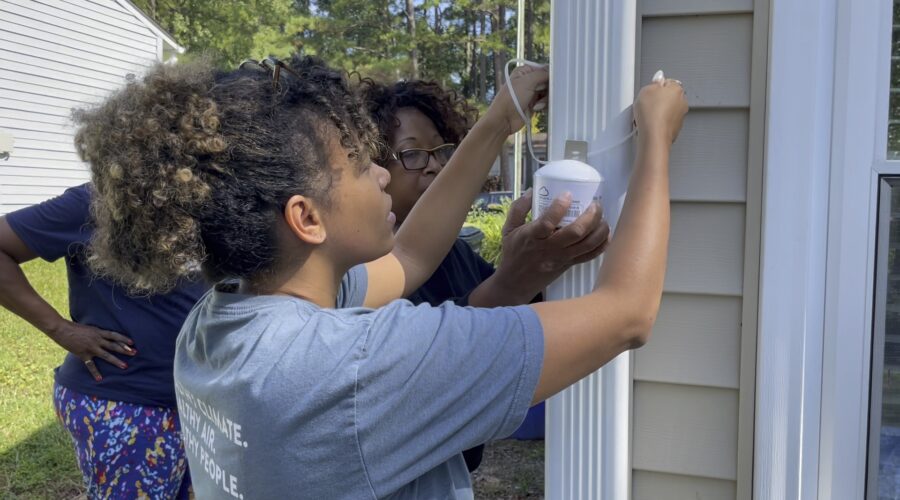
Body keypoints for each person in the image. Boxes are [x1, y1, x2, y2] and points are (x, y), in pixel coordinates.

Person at [80, 54, 687, 499]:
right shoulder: (347, 368)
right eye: (355, 162)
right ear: (306, 218)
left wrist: (499, 121)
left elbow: (412, 258)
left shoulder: (220, 322)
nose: (378, 173)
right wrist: (656, 140)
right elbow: (627, 312)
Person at [360, 79, 612, 470]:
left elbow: (516, 321)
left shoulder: (455, 252)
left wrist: (535, 264)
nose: (434, 164)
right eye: (412, 153)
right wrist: (515, 277)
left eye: (440, 150)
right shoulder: (358, 269)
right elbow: (442, 355)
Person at [0, 183, 205, 499]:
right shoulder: (95, 201)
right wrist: (61, 329)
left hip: (196, 401)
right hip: (127, 404)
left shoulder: (208, 200)